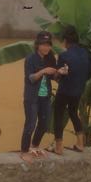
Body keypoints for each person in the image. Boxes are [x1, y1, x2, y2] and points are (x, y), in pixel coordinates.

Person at [50, 26, 91, 154]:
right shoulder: (84, 53)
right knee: (73, 113)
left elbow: (58, 75)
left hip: (65, 90)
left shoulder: (64, 55)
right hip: (78, 90)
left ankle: (58, 147)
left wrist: (55, 74)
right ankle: (80, 144)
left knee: (58, 115)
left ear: (66, 41)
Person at [21, 30, 58, 162]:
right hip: (32, 97)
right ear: (37, 45)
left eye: (48, 45)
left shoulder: (50, 58)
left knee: (44, 123)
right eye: (43, 44)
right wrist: (43, 71)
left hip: (45, 96)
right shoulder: (30, 59)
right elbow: (30, 78)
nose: (46, 47)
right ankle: (24, 151)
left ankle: (35, 146)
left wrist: (60, 72)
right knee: (30, 124)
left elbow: (53, 77)